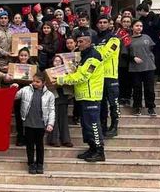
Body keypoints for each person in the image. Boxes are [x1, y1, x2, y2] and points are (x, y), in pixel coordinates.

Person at [53, 31, 106, 162]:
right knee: (86, 125)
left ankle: (99, 151)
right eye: (78, 41)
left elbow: (83, 76)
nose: (78, 44)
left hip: (91, 96)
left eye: (81, 41)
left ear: (88, 42)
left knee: (93, 124)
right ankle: (92, 148)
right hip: (83, 96)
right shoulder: (84, 56)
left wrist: (61, 80)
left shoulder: (93, 56)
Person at [13, 73, 55, 174]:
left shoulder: (50, 95)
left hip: (41, 124)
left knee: (40, 145)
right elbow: (14, 96)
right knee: (30, 145)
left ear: (43, 83)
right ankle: (31, 164)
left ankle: (40, 164)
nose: (35, 83)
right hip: (28, 123)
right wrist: (13, 88)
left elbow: (51, 110)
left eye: (38, 82)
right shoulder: (25, 90)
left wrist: (50, 124)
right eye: (33, 81)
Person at [94, 15, 121, 138]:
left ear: (109, 24)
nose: (102, 24)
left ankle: (115, 126)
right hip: (98, 77)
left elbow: (106, 54)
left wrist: (92, 55)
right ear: (97, 24)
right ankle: (103, 126)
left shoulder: (114, 39)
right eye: (100, 22)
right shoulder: (94, 38)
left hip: (111, 76)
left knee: (113, 103)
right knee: (102, 103)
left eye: (105, 22)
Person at [126, 20, 157, 116]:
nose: (139, 27)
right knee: (137, 89)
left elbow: (152, 49)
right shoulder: (128, 39)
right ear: (132, 27)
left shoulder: (147, 37)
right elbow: (124, 54)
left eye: (141, 26)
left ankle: (151, 107)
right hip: (135, 68)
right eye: (136, 26)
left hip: (148, 67)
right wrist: (133, 58)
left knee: (150, 89)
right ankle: (137, 107)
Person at [46, 56, 73, 147]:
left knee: (63, 118)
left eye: (59, 61)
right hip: (53, 96)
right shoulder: (47, 71)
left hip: (63, 95)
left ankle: (66, 139)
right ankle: (54, 139)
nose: (57, 63)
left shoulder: (66, 71)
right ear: (52, 62)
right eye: (55, 61)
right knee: (54, 118)